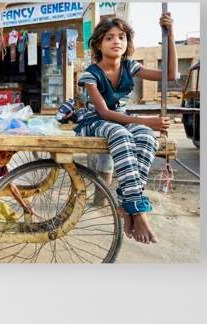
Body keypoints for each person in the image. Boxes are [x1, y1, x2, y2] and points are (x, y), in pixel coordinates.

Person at [75, 13, 178, 244]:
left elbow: (170, 76)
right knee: (123, 134)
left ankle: (126, 203)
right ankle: (138, 211)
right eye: (109, 37)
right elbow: (103, 113)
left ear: (127, 42)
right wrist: (147, 120)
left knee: (146, 138)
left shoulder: (130, 67)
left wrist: (169, 33)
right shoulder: (90, 74)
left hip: (123, 119)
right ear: (99, 44)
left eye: (121, 37)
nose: (116, 41)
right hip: (94, 122)